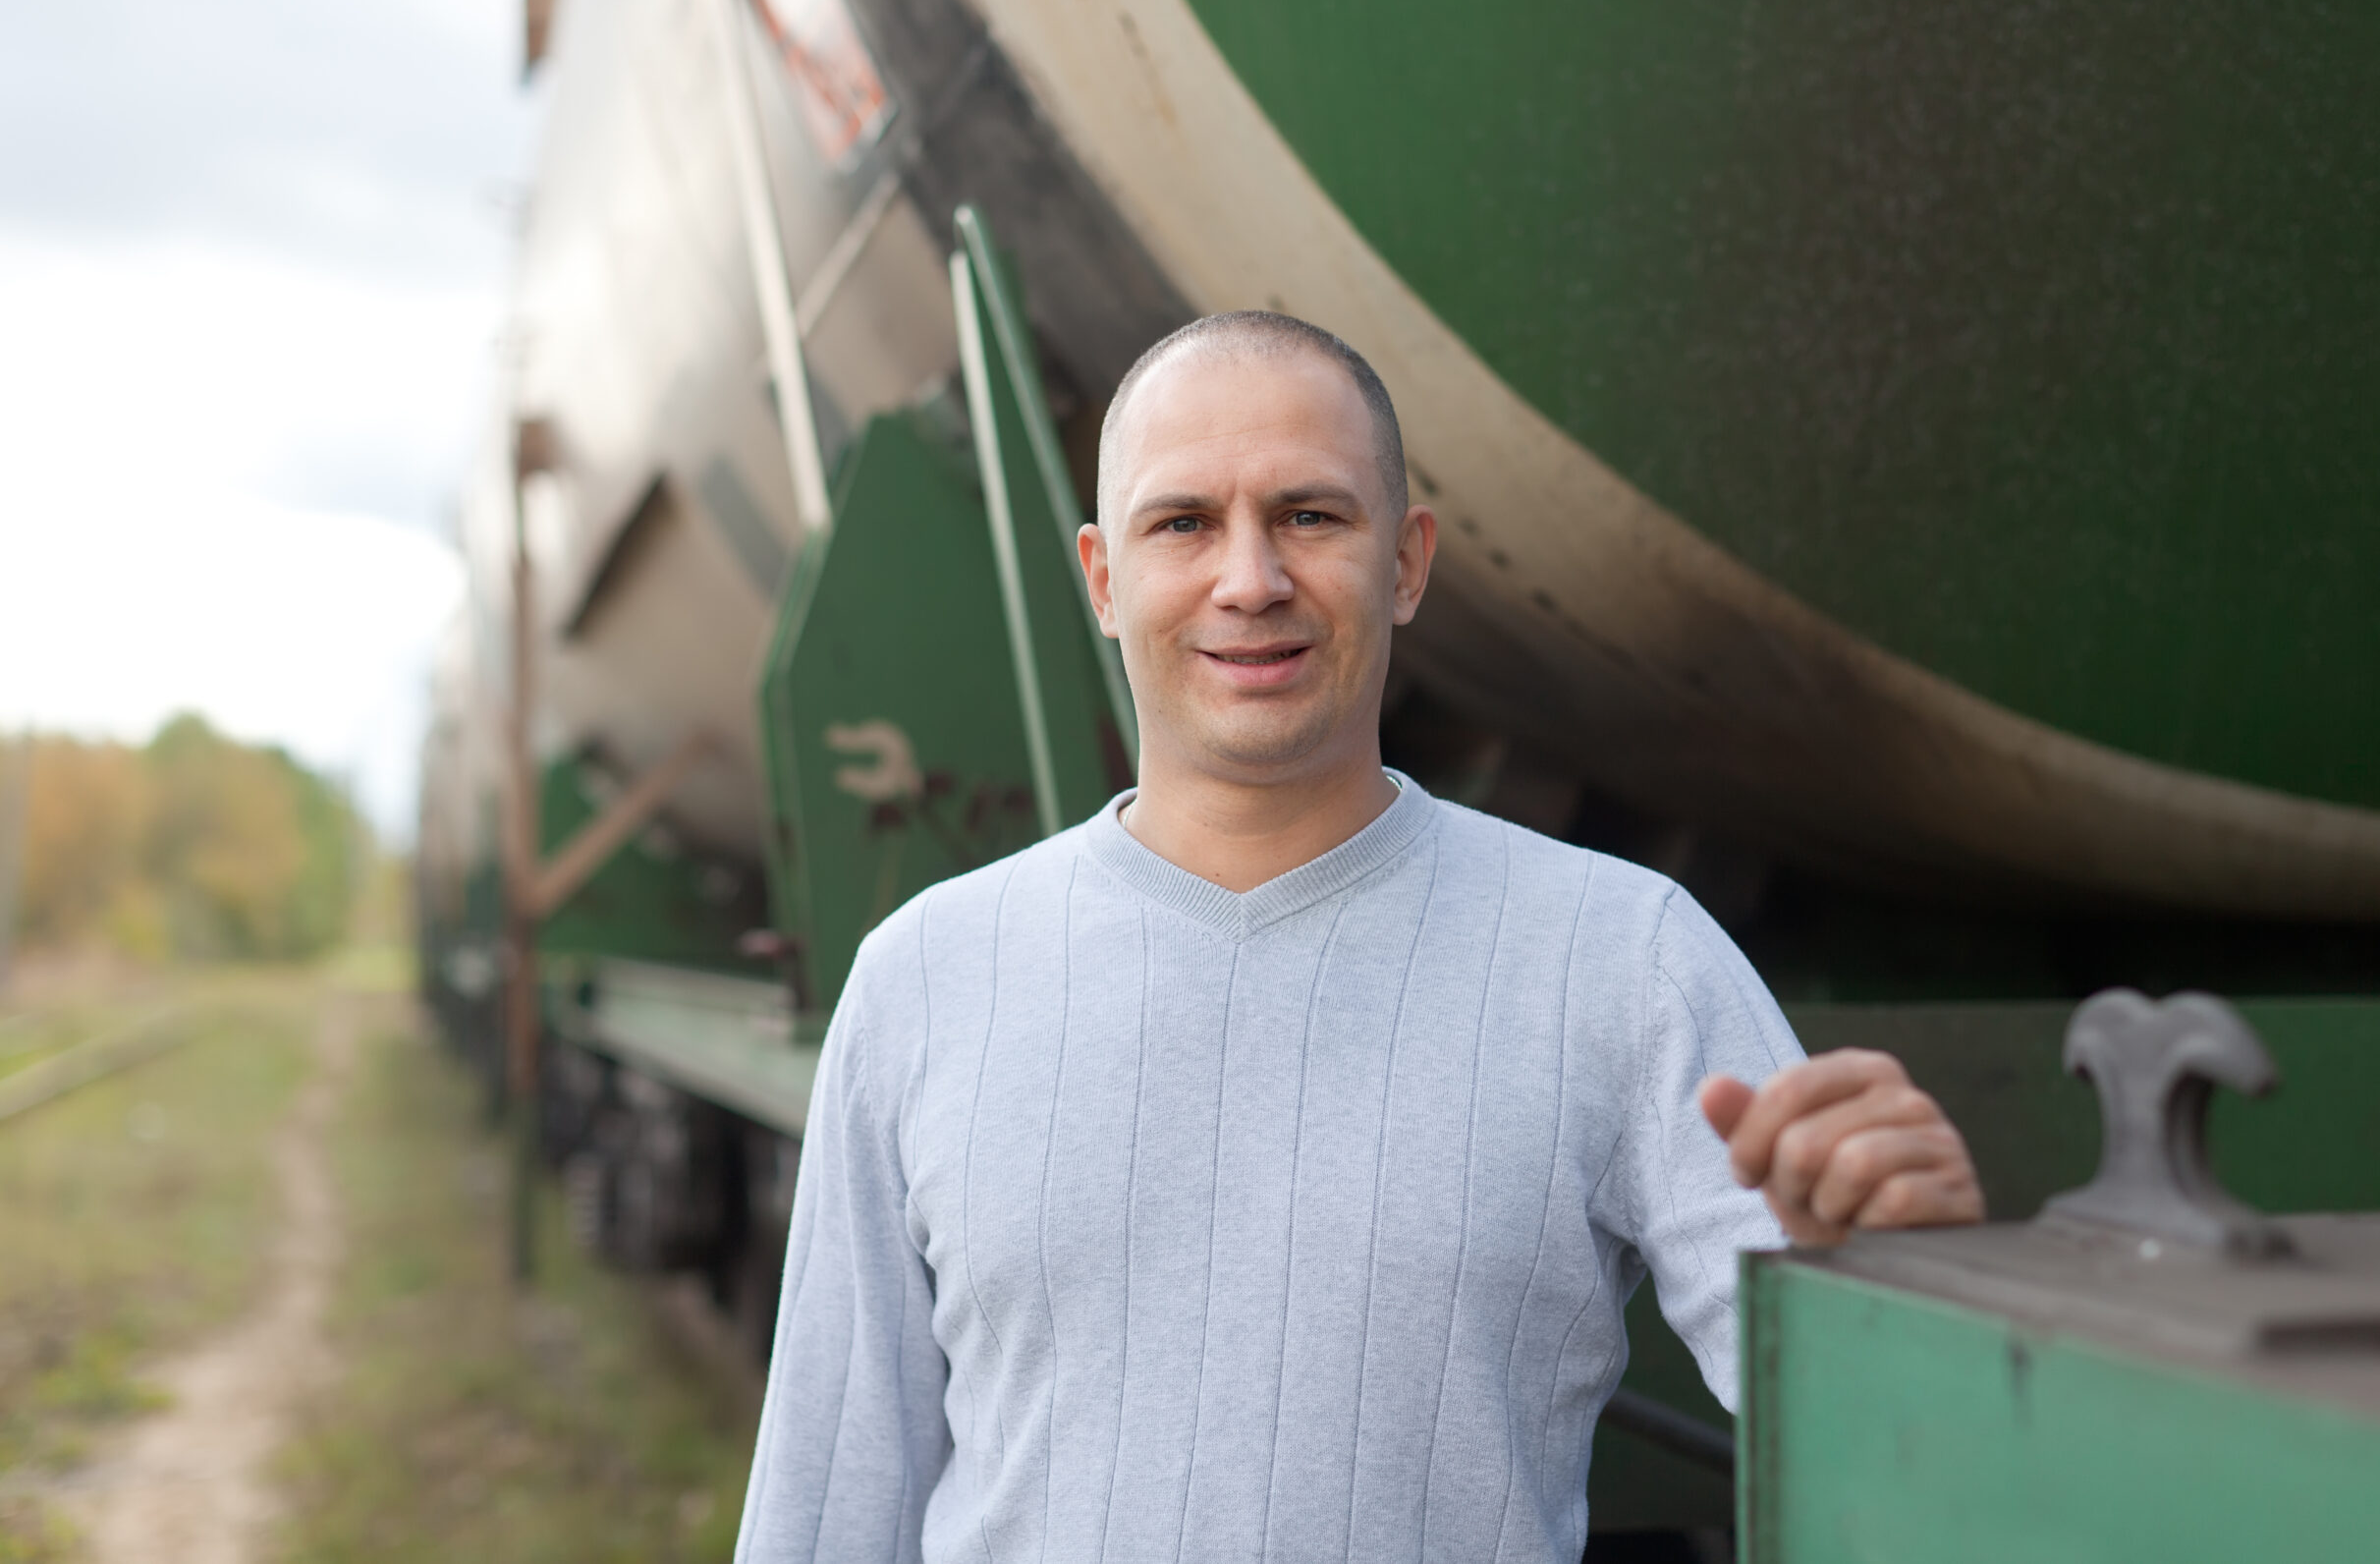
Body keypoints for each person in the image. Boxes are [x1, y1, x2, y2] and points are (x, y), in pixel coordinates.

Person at [734, 312, 1984, 1564]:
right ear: (1104, 579)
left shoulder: (1622, 958)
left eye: (1309, 517)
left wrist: (1903, 1295)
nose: (1249, 580)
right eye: (1182, 524)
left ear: (1406, 560)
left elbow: (1902, 1463)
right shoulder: (926, 979)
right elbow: (825, 1506)